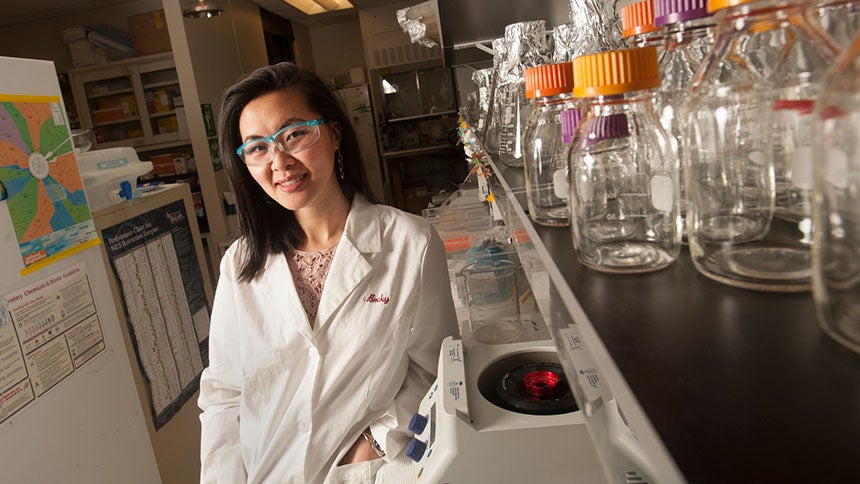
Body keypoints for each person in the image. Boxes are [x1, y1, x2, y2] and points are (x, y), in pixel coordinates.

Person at [198, 62, 459, 483]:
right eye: (257, 147)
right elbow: (225, 395)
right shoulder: (240, 265)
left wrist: (374, 444)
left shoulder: (410, 242)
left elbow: (436, 369)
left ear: (334, 133)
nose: (279, 161)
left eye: (294, 134)